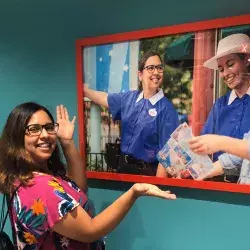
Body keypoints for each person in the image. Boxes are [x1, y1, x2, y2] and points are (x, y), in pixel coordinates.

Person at [0, 102, 176, 250]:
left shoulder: (30, 176)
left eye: (48, 127)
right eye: (34, 129)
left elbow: (77, 187)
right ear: (18, 137)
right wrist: (135, 191)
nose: (45, 134)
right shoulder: (40, 187)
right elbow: (91, 230)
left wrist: (67, 142)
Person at [84, 51, 179, 176]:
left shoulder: (167, 110)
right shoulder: (130, 98)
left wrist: (158, 188)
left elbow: (166, 155)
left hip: (147, 173)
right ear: (140, 75)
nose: (156, 72)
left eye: (159, 68)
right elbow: (105, 98)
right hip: (123, 169)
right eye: (150, 68)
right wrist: (84, 90)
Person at [201, 33, 250, 164]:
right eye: (221, 69)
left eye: (230, 64)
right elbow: (203, 144)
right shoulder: (220, 105)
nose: (226, 73)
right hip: (218, 181)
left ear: (246, 60)